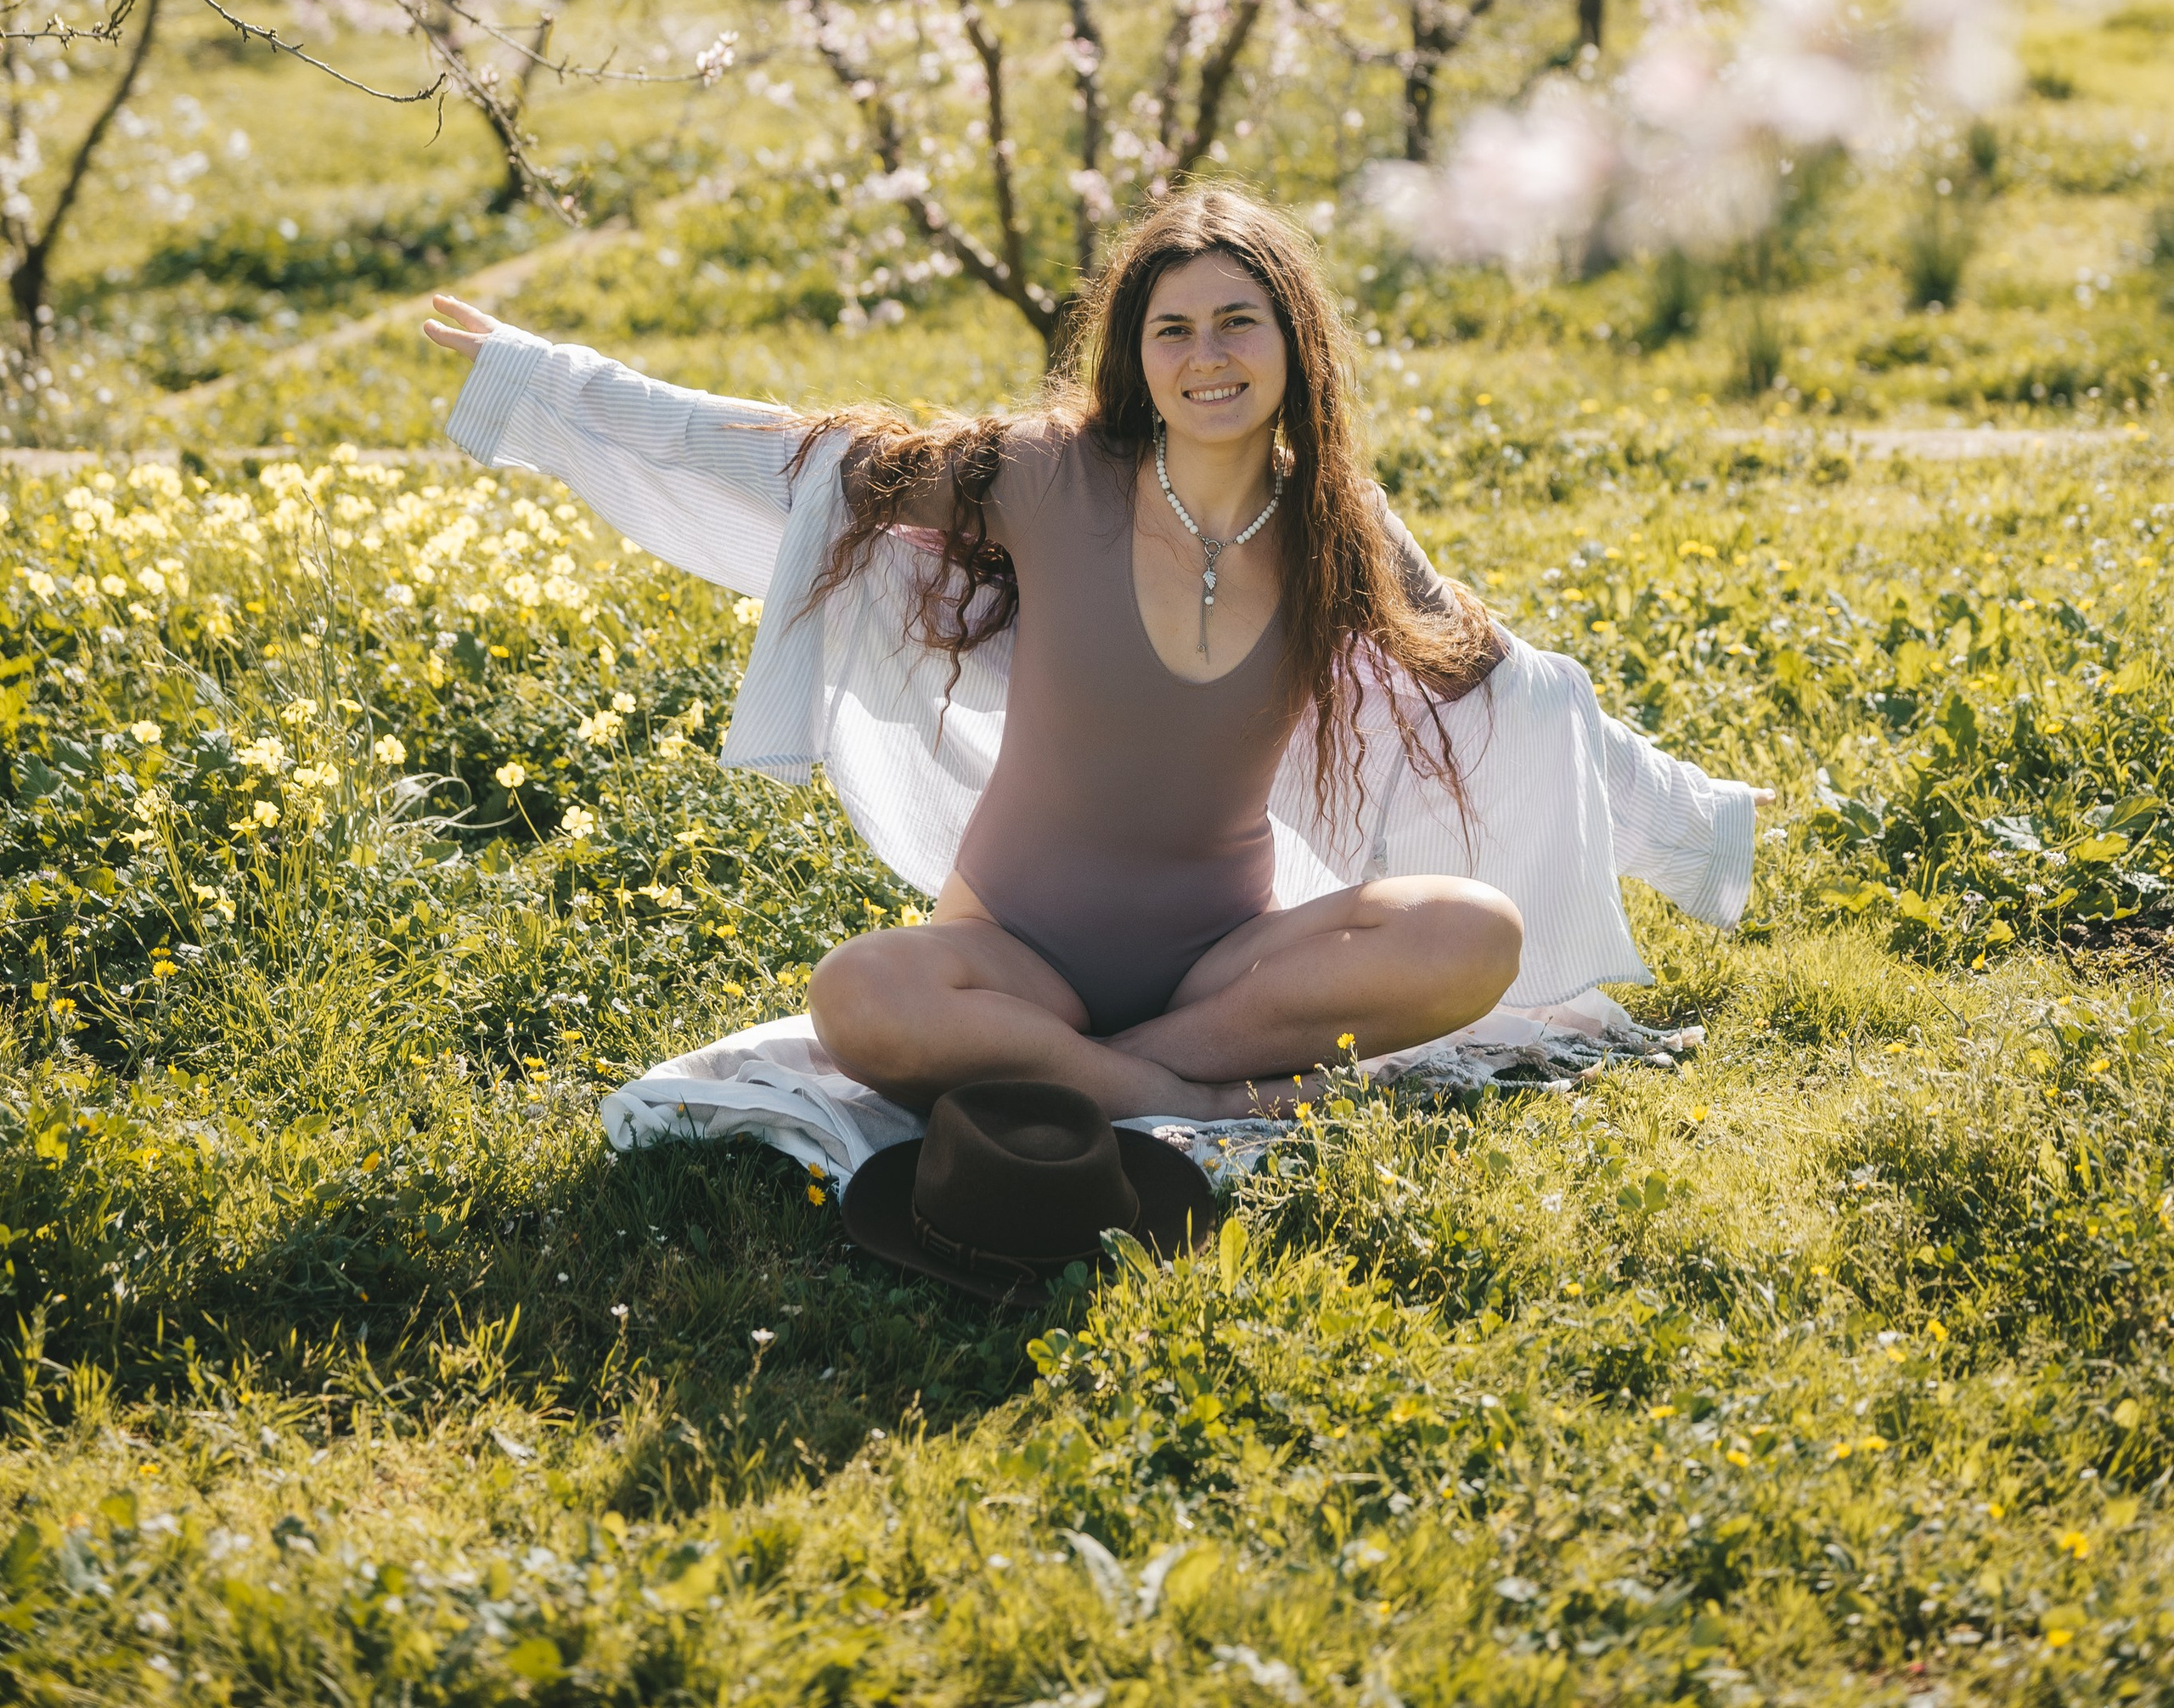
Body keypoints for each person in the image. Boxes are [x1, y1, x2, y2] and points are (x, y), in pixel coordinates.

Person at [425, 186, 1764, 1123]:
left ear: (1294, 343)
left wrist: (1692, 830)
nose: (1207, 358)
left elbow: (1512, 683)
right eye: (1172, 329)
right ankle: (1187, 1103)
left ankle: (1111, 1074)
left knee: (1478, 933)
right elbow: (799, 457)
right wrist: (551, 387)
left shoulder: (1338, 527)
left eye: (1239, 322)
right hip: (1012, 954)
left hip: (1223, 968)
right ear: (1135, 350)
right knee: (858, 994)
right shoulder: (1040, 472)